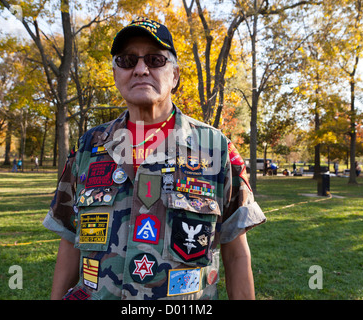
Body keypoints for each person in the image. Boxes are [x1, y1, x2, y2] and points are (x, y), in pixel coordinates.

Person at [43, 17, 266, 301]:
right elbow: (70, 239)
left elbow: (235, 253)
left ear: (174, 75)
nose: (140, 69)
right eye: (126, 60)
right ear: (115, 73)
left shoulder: (216, 148)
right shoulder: (88, 147)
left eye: (155, 60)